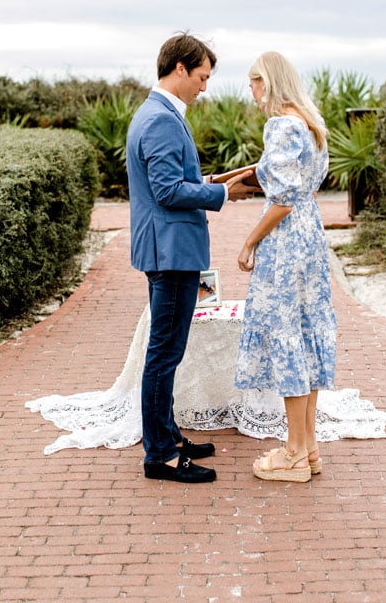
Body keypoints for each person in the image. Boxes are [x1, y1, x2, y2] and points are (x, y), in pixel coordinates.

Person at [126, 32, 253, 484]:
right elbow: (167, 191)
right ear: (179, 69)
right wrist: (219, 193)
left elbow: (178, 179)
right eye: (201, 77)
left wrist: (224, 180)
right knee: (164, 353)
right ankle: (159, 455)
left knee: (168, 351)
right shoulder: (161, 119)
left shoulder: (157, 112)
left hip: (167, 247)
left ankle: (167, 435)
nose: (204, 87)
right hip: (171, 251)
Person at [234, 51, 337, 482]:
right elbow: (301, 189)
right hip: (311, 237)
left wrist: (249, 241)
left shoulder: (280, 125)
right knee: (307, 331)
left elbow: (281, 200)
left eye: (254, 83)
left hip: (286, 242)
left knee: (287, 335)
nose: (252, 92)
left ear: (268, 81)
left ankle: (294, 452)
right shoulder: (311, 124)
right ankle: (309, 446)